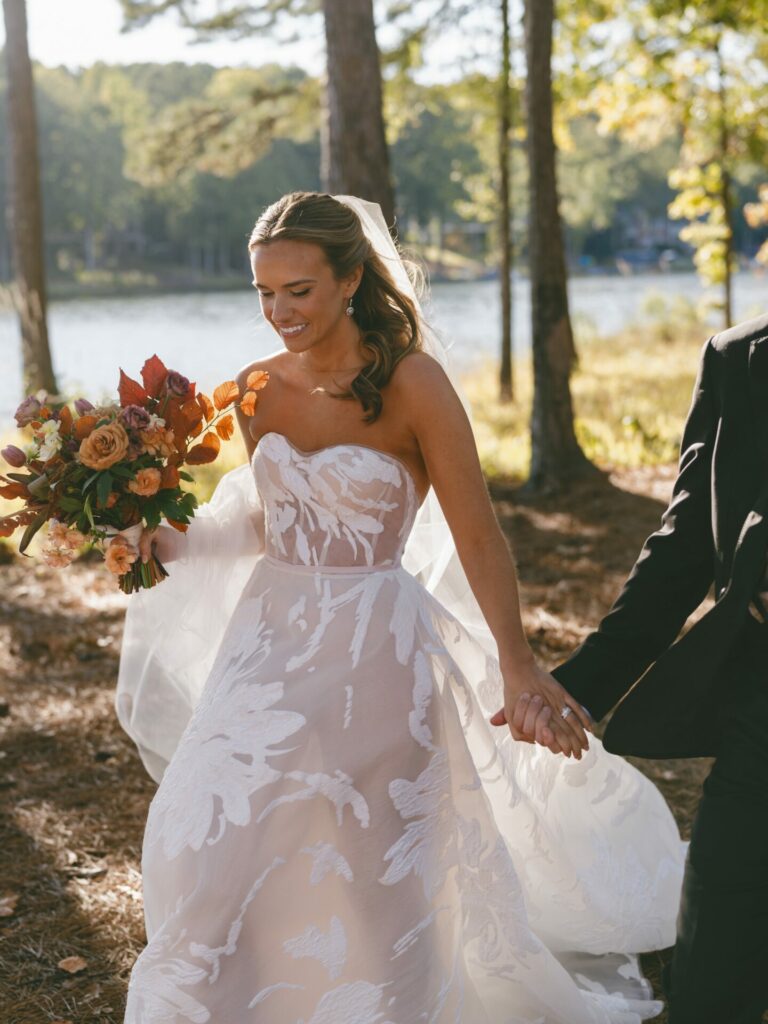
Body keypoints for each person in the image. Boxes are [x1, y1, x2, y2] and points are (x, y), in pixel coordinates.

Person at [117, 192, 684, 1023]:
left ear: (350, 279)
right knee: (201, 831)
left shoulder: (414, 384)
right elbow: (262, 518)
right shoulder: (256, 390)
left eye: (298, 290)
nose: (279, 313)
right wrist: (162, 543)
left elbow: (480, 535)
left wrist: (517, 665)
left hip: (375, 652)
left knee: (371, 857)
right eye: (264, 293)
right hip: (266, 646)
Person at [515, 312, 768, 1024]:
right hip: (763, 705)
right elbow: (684, 551)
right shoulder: (737, 358)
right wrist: (578, 689)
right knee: (713, 973)